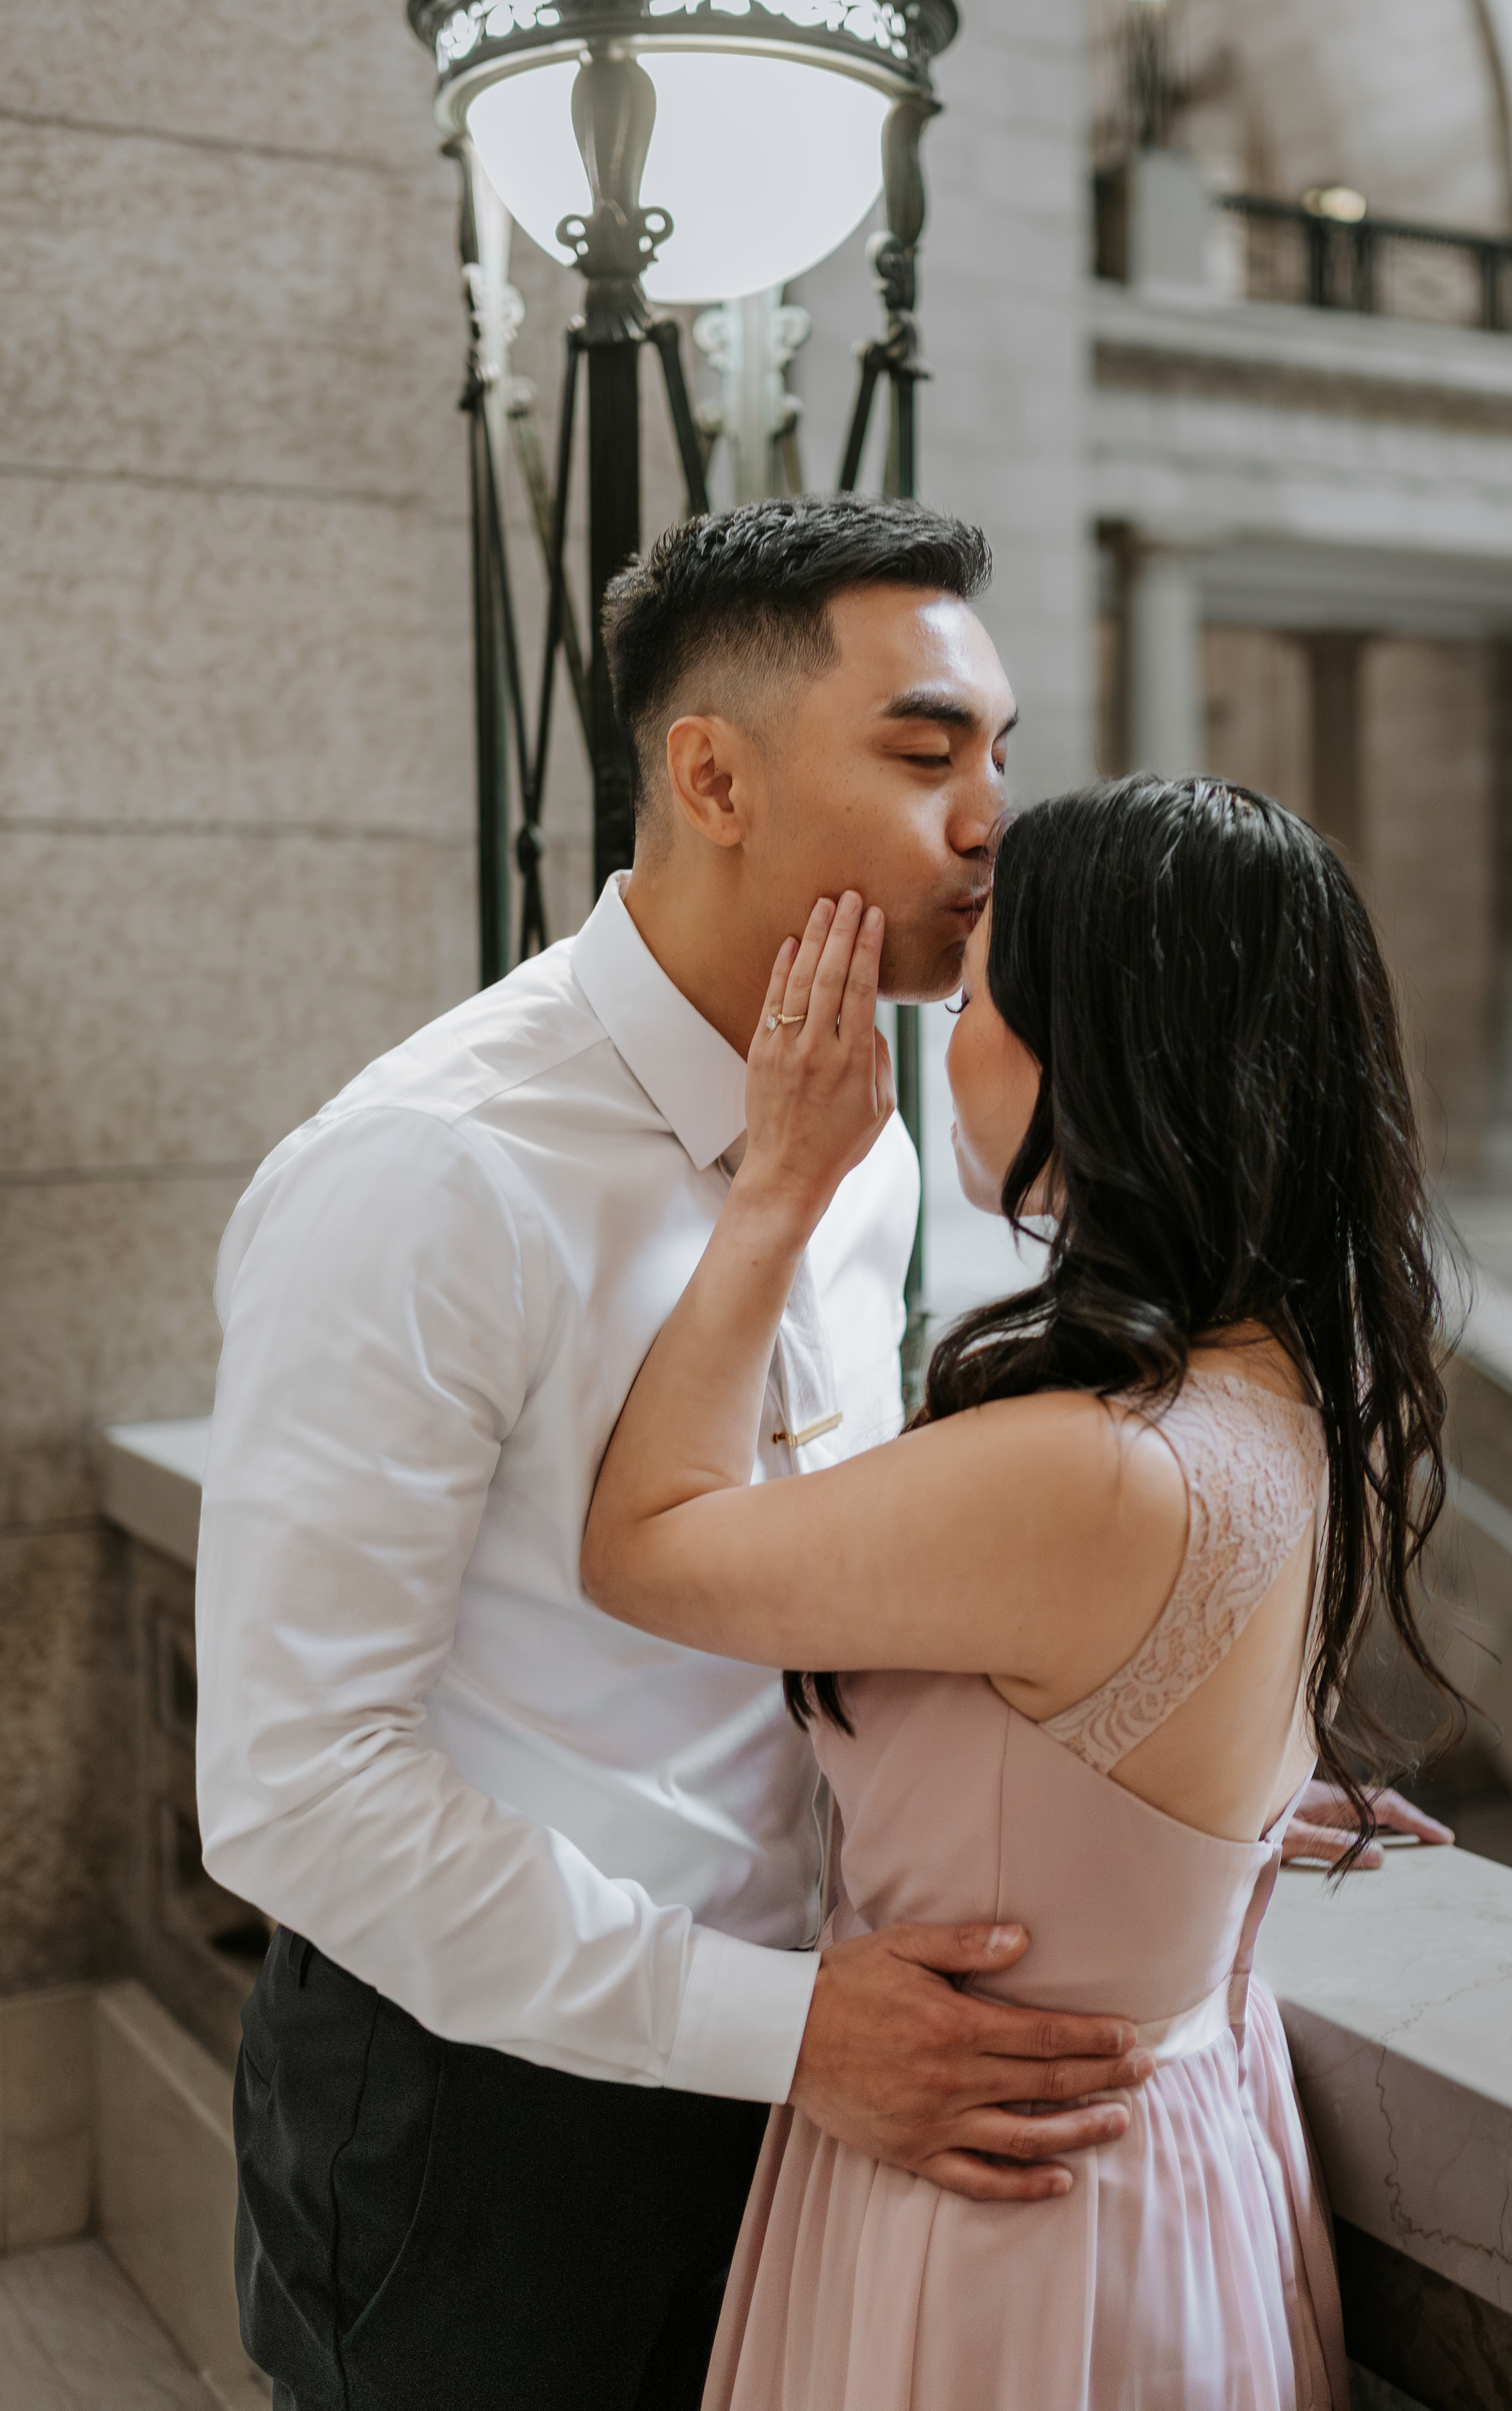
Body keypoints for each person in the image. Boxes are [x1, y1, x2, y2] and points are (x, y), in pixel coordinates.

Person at [194, 498, 1158, 2411]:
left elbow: (842, 1569)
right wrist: (781, 2031)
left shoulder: (862, 1143)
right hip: (485, 2117)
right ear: (710, 773)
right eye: (921, 753)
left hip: (811, 2064)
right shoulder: (433, 1172)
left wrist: (1136, 1763)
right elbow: (295, 1789)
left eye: (998, 754)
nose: (990, 820)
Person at [582, 773, 1465, 2410]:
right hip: (1165, 2160)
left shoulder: (1088, 1468)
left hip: (1011, 2216)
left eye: (980, 999)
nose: (945, 1040)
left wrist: (776, 1185)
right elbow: (1120, 1727)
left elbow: (642, 1542)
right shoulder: (1284, 1392)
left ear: (1106, 1058)